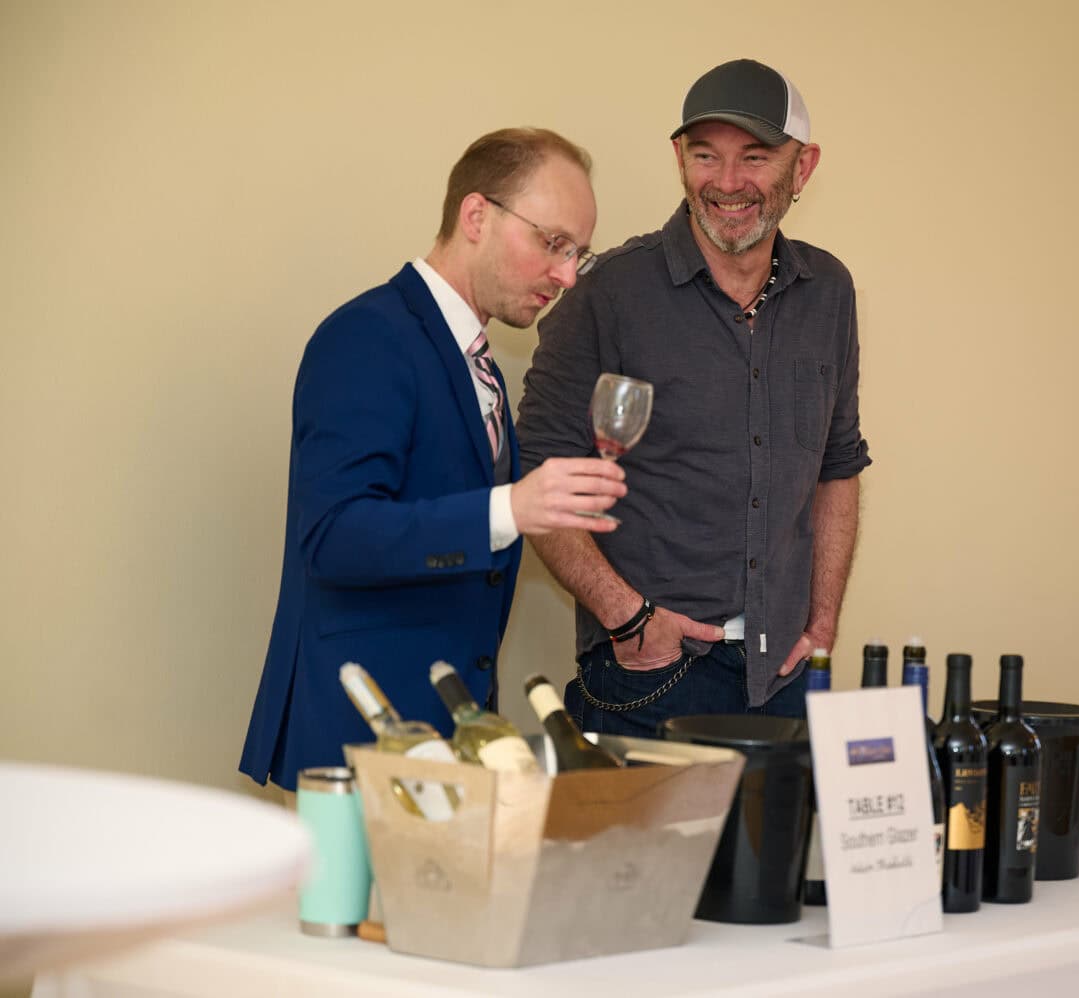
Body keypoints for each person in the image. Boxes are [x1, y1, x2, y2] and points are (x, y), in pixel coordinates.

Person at [240, 128, 627, 790]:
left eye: (578, 254)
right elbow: (333, 535)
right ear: (476, 216)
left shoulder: (480, 365)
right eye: (552, 243)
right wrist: (509, 509)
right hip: (360, 740)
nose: (566, 275)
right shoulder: (367, 335)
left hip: (446, 741)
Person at [517, 59, 871, 737]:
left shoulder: (829, 292)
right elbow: (538, 470)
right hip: (649, 675)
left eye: (755, 157)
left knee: (788, 822)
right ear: (679, 158)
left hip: (787, 676)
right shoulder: (606, 295)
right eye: (706, 155)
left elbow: (838, 464)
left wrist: (823, 622)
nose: (728, 182)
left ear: (803, 167)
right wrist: (628, 619)